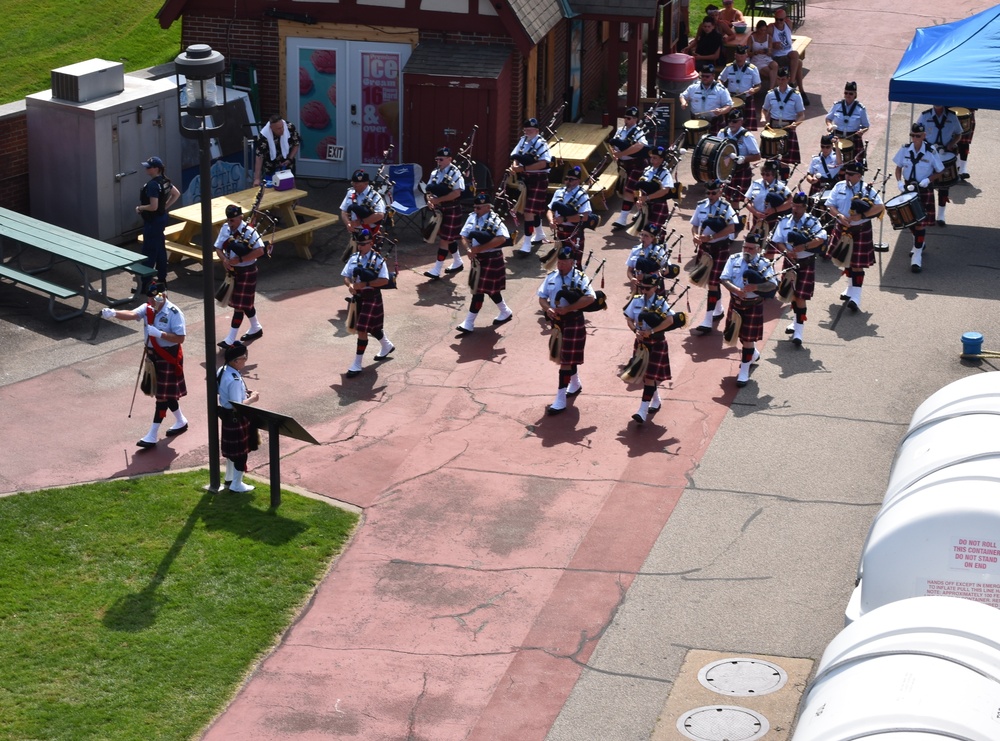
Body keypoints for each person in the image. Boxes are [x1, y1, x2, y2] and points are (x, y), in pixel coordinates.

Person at [100, 280, 188, 448]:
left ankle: (152, 434)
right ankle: (181, 421)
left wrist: (161, 334)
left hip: (168, 356)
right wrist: (114, 313)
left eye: (155, 299)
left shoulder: (174, 313)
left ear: (164, 295)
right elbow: (133, 314)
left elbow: (180, 338)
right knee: (164, 393)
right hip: (153, 357)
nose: (152, 302)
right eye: (150, 299)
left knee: (162, 397)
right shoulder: (147, 308)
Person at [537, 246, 597, 415]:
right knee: (567, 357)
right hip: (556, 322)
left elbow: (590, 298)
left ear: (572, 262)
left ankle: (560, 399)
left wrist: (569, 308)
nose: (560, 265)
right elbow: (542, 297)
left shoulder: (580, 278)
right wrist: (548, 308)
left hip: (573, 320)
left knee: (565, 360)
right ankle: (575, 383)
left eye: (564, 262)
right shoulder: (551, 277)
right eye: (559, 262)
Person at [623, 271, 686, 424]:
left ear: (655, 288)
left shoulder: (661, 303)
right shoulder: (636, 300)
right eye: (642, 288)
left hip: (657, 343)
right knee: (647, 377)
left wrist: (651, 331)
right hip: (641, 344)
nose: (644, 291)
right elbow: (628, 318)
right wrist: (635, 330)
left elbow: (670, 320)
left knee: (650, 377)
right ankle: (655, 401)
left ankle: (642, 411)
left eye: (647, 288)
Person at [719, 233, 777, 387]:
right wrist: (736, 290)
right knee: (740, 336)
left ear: (758, 249)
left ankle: (744, 371)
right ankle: (754, 354)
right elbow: (724, 279)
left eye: (751, 248)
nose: (746, 250)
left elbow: (772, 285)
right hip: (736, 303)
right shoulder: (734, 259)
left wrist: (756, 287)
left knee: (748, 340)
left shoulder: (765, 264)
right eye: (745, 246)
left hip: (753, 304)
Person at [825, 161, 885, 308]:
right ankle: (850, 288)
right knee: (847, 261)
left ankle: (856, 297)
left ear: (859, 175)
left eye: (851, 174)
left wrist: (862, 216)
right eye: (846, 173)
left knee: (857, 265)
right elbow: (830, 205)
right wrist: (839, 216)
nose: (847, 176)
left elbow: (880, 207)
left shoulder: (868, 190)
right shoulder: (839, 186)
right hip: (842, 228)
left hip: (860, 230)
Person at [770, 192, 827, 346]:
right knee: (793, 295)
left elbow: (821, 238)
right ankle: (796, 322)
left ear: (805, 207)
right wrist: (786, 251)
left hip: (806, 261)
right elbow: (777, 240)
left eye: (799, 206)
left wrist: (804, 246)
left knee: (801, 297)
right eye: (794, 205)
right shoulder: (784, 221)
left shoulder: (812, 221)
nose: (795, 209)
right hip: (789, 261)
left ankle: (799, 332)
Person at [456, 192, 514, 333]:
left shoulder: (495, 220)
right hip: (478, 260)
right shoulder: (472, 217)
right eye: (475, 207)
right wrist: (469, 249)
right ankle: (505, 311)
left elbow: (502, 239)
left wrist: (478, 248)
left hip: (492, 258)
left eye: (479, 208)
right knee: (490, 290)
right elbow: (463, 235)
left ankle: (469, 323)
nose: (476, 210)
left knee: (479, 291)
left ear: (488, 207)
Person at [341, 228, 395, 377]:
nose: (360, 247)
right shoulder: (353, 258)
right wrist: (350, 285)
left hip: (372, 297)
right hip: (357, 298)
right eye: (359, 244)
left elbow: (384, 280)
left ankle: (357, 364)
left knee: (362, 330)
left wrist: (364, 284)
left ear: (371, 243)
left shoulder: (378, 260)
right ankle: (387, 345)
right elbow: (345, 276)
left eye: (364, 244)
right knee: (373, 328)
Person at [690, 178, 740, 335]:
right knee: (712, 282)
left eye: (714, 192)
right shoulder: (701, 205)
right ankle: (718, 309)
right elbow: (695, 224)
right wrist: (695, 236)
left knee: (712, 283)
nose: (710, 195)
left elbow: (732, 227)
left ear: (720, 192)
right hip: (705, 249)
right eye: (709, 192)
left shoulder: (726, 207)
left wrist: (712, 237)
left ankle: (708, 320)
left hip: (720, 249)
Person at [893, 123, 944, 273]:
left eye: (918, 136)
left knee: (920, 223)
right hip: (908, 188)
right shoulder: (904, 149)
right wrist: (899, 182)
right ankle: (920, 243)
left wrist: (929, 179)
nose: (915, 138)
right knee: (909, 221)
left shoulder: (930, 151)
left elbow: (940, 171)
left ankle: (917, 256)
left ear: (924, 136)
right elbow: (898, 167)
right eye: (913, 135)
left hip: (923, 189)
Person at [215, 204, 268, 349]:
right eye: (228, 219)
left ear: (240, 217)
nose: (230, 223)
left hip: (247, 270)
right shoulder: (225, 228)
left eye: (233, 220)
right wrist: (224, 260)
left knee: (239, 306)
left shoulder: (250, 231)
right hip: (233, 272)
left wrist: (240, 260)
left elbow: (260, 251)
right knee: (244, 303)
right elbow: (218, 247)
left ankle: (230, 339)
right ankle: (256, 328)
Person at [217, 342, 260, 493]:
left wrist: (245, 392)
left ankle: (229, 479)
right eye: (244, 358)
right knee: (241, 454)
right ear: (235, 360)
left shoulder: (222, 370)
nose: (245, 360)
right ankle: (236, 484)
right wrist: (252, 398)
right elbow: (237, 405)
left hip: (227, 416)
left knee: (231, 453)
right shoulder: (234, 379)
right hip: (236, 417)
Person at [422, 146, 467, 279]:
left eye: (441, 159)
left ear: (449, 159)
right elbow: (429, 190)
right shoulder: (435, 172)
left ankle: (437, 269)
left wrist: (439, 200)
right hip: (440, 210)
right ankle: (458, 261)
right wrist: (430, 200)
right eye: (437, 159)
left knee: (444, 240)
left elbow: (457, 193)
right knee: (449, 238)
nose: (438, 161)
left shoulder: (455, 173)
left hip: (452, 208)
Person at [136, 155, 180, 290]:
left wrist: (140, 208)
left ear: (156, 169)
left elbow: (153, 206)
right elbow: (176, 194)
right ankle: (162, 278)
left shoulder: (153, 185)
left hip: (153, 221)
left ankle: (146, 284)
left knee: (149, 251)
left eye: (149, 167)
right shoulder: (165, 181)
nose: (146, 169)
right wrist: (164, 207)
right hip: (161, 218)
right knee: (160, 248)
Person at [510, 118, 553, 255]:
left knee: (529, 212)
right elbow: (515, 155)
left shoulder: (541, 144)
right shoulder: (523, 140)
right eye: (526, 130)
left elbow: (544, 163)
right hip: (526, 180)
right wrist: (515, 166)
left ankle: (527, 243)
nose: (528, 132)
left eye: (531, 130)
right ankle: (539, 234)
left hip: (539, 179)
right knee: (532, 210)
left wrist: (523, 168)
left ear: (537, 131)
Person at [916, 105, 962, 226]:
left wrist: (952, 144)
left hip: (945, 153)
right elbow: (916, 132)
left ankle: (941, 215)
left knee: (944, 186)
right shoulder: (925, 115)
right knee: (924, 184)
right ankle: (923, 213)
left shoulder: (952, 116)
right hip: (928, 153)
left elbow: (959, 133)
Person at [610, 107, 650, 230]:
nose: (626, 120)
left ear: (636, 119)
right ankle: (641, 210)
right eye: (625, 118)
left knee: (629, 190)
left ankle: (622, 219)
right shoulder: (620, 130)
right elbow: (613, 143)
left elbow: (639, 146)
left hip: (637, 164)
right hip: (624, 165)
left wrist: (621, 154)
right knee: (630, 191)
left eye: (629, 118)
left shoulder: (639, 132)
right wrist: (614, 154)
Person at [546, 165, 593, 265]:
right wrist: (551, 221)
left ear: (578, 181)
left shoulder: (582, 195)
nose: (568, 181)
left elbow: (584, 217)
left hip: (574, 231)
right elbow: (550, 210)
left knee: (574, 263)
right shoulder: (559, 192)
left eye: (571, 179)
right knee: (561, 261)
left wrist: (564, 219)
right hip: (560, 231)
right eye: (566, 179)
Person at [761, 67, 805, 166]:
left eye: (783, 79)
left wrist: (796, 124)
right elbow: (764, 109)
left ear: (788, 78)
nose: (781, 82)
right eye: (779, 79)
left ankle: (783, 179)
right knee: (771, 157)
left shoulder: (796, 95)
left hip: (788, 128)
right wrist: (763, 117)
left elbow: (801, 115)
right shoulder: (770, 94)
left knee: (785, 161)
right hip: (773, 128)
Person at [719, 109, 761, 209]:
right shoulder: (722, 133)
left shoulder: (747, 136)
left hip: (740, 170)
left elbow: (757, 156)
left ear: (741, 121)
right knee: (722, 198)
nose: (731, 124)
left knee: (734, 200)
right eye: (729, 121)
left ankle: (736, 223)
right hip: (724, 170)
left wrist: (744, 159)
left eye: (734, 121)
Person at [680, 64, 733, 135]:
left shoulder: (721, 90)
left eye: (707, 76)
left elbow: (729, 105)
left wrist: (721, 111)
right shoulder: (693, 87)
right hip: (696, 122)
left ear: (713, 76)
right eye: (702, 76)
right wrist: (683, 102)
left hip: (714, 122)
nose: (704, 78)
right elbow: (683, 95)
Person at [824, 82, 870, 164]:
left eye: (850, 93)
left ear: (855, 94)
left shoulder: (860, 108)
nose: (848, 95)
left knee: (854, 165)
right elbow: (828, 118)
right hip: (837, 136)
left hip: (853, 137)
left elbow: (866, 126)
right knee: (831, 162)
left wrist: (862, 131)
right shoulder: (837, 105)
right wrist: (829, 125)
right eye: (846, 93)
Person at [633, 145, 677, 230]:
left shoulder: (665, 173)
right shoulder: (647, 170)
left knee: (654, 232)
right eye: (651, 157)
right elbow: (641, 186)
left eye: (655, 158)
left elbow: (665, 190)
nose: (652, 160)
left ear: (661, 159)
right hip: (646, 206)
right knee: (644, 232)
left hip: (658, 205)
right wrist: (639, 199)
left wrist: (648, 197)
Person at [769, 10, 808, 105]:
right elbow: (766, 43)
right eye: (776, 19)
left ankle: (792, 84)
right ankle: (798, 89)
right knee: (798, 62)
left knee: (795, 56)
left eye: (781, 20)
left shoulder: (789, 24)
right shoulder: (771, 28)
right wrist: (773, 45)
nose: (778, 22)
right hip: (778, 56)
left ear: (785, 19)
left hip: (788, 55)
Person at [744, 160, 792, 237]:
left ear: (774, 175)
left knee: (771, 245)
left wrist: (775, 210)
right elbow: (746, 200)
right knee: (754, 243)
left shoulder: (781, 186)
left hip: (773, 220)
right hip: (757, 219)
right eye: (763, 174)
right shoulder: (756, 183)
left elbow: (790, 202)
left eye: (767, 175)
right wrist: (755, 212)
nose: (764, 177)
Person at [719, 45, 762, 132]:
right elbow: (720, 79)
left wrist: (754, 90)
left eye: (742, 56)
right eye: (738, 56)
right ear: (735, 55)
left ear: (746, 56)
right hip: (731, 98)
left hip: (747, 98)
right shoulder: (729, 67)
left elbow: (758, 85)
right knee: (730, 123)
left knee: (746, 126)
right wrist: (723, 88)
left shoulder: (752, 69)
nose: (740, 58)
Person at [626, 223, 678, 292]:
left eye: (646, 236)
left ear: (653, 238)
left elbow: (666, 270)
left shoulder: (658, 250)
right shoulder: (635, 249)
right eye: (642, 234)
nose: (643, 237)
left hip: (654, 286)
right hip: (639, 286)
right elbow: (629, 270)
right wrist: (632, 278)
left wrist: (646, 276)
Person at [253, 114, 301, 187]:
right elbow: (259, 156)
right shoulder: (263, 135)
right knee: (270, 190)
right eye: (278, 128)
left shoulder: (289, 127)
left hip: (287, 161)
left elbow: (296, 144)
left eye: (282, 127)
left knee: (291, 187)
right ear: (271, 128)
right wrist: (257, 178)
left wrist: (290, 159)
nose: (282, 130)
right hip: (271, 164)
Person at [339, 169, 387, 241]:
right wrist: (348, 223)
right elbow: (343, 211)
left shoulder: (374, 196)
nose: (355, 185)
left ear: (366, 183)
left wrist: (360, 222)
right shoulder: (350, 193)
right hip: (354, 232)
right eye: (353, 183)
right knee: (352, 252)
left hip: (369, 233)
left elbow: (380, 215)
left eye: (357, 183)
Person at [748, 21, 778, 91]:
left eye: (764, 30)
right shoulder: (751, 38)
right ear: (757, 29)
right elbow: (748, 52)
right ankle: (772, 90)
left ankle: (771, 89)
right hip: (757, 59)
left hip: (767, 58)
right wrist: (756, 52)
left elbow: (770, 51)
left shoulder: (768, 37)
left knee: (775, 65)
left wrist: (768, 51)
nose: (763, 32)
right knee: (771, 73)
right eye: (761, 30)